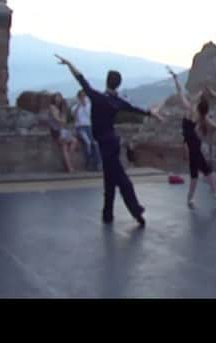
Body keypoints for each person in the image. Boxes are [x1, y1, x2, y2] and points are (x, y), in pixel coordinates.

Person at [55, 55, 164, 224]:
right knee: (112, 180)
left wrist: (69, 63)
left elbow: (81, 79)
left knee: (120, 180)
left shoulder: (98, 98)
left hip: (105, 144)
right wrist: (152, 113)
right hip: (111, 142)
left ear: (107, 82)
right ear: (118, 84)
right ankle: (111, 214)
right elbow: (135, 108)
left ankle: (131, 211)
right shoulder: (117, 101)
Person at [167, 70, 216, 208]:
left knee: (203, 170)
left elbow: (181, 92)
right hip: (193, 145)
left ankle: (214, 191)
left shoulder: (189, 110)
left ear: (198, 105)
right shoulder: (201, 116)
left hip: (192, 145)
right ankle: (191, 197)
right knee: (195, 173)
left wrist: (175, 79)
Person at [71, 89, 102, 171]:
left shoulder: (89, 106)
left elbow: (90, 116)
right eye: (81, 96)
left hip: (89, 127)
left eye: (84, 96)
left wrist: (85, 106)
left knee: (95, 143)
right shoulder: (75, 107)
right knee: (87, 142)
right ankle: (89, 163)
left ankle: (97, 164)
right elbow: (74, 116)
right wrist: (79, 105)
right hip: (80, 128)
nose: (83, 98)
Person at [47, 92, 77, 173]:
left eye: (60, 97)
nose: (58, 99)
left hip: (61, 130)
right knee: (64, 147)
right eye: (57, 97)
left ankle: (67, 162)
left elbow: (64, 120)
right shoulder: (52, 107)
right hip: (56, 131)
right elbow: (57, 119)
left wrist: (62, 119)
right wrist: (62, 120)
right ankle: (69, 167)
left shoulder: (61, 108)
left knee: (73, 142)